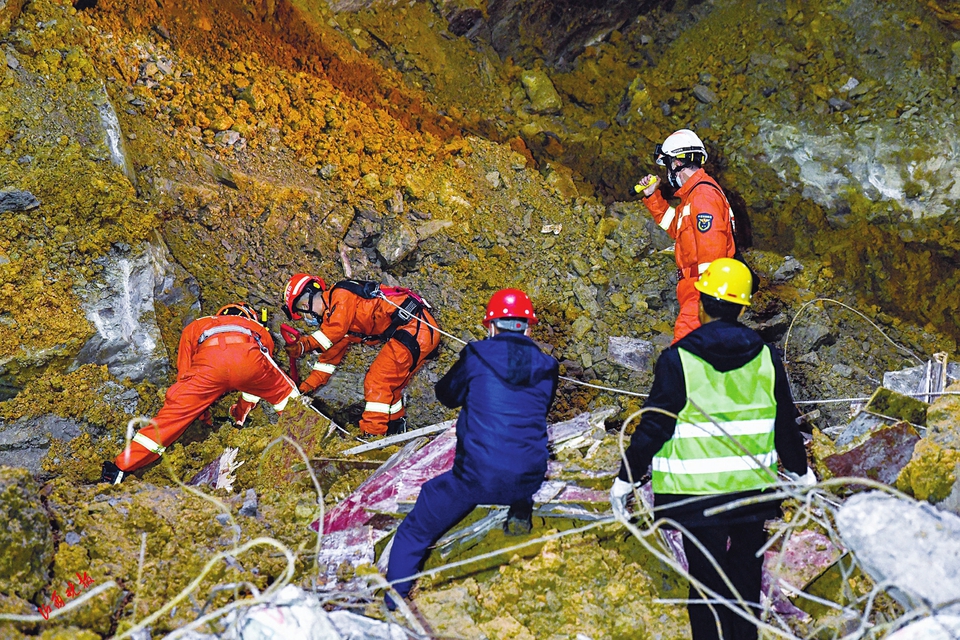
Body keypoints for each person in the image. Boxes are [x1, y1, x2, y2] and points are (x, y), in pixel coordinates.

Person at [609, 258, 814, 640]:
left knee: (706, 586)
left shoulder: (678, 359)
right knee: (745, 582)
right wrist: (801, 473)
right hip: (751, 495)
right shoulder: (767, 357)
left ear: (701, 303)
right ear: (741, 307)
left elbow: (655, 426)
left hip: (695, 499)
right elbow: (785, 424)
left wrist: (625, 478)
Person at [384, 289, 558, 608]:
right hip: (531, 477)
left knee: (415, 531)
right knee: (520, 443)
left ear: (491, 327)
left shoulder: (477, 354)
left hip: (477, 478)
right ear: (528, 327)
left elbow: (447, 396)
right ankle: (519, 509)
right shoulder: (548, 365)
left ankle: (394, 600)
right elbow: (539, 408)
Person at [101, 303, 300, 484]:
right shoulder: (257, 329)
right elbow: (256, 381)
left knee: (170, 419)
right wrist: (240, 416)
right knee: (287, 396)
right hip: (249, 362)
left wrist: (200, 413)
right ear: (250, 316)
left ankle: (119, 469)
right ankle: (306, 443)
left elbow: (184, 373)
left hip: (208, 367)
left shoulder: (198, 325)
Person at [281, 274, 441, 437]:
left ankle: (373, 435)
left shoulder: (341, 294)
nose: (306, 317)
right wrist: (304, 388)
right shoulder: (339, 322)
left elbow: (334, 331)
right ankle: (395, 430)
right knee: (392, 388)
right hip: (419, 333)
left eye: (302, 309)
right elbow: (327, 362)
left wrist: (304, 345)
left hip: (415, 329)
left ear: (309, 298)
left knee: (377, 382)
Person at [636, 129, 737, 343]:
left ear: (676, 163)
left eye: (668, 165)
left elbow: (713, 252)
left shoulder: (703, 197)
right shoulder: (694, 197)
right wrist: (653, 195)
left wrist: (706, 301)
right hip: (697, 290)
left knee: (686, 352)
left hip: (702, 291)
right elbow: (675, 227)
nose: (667, 172)